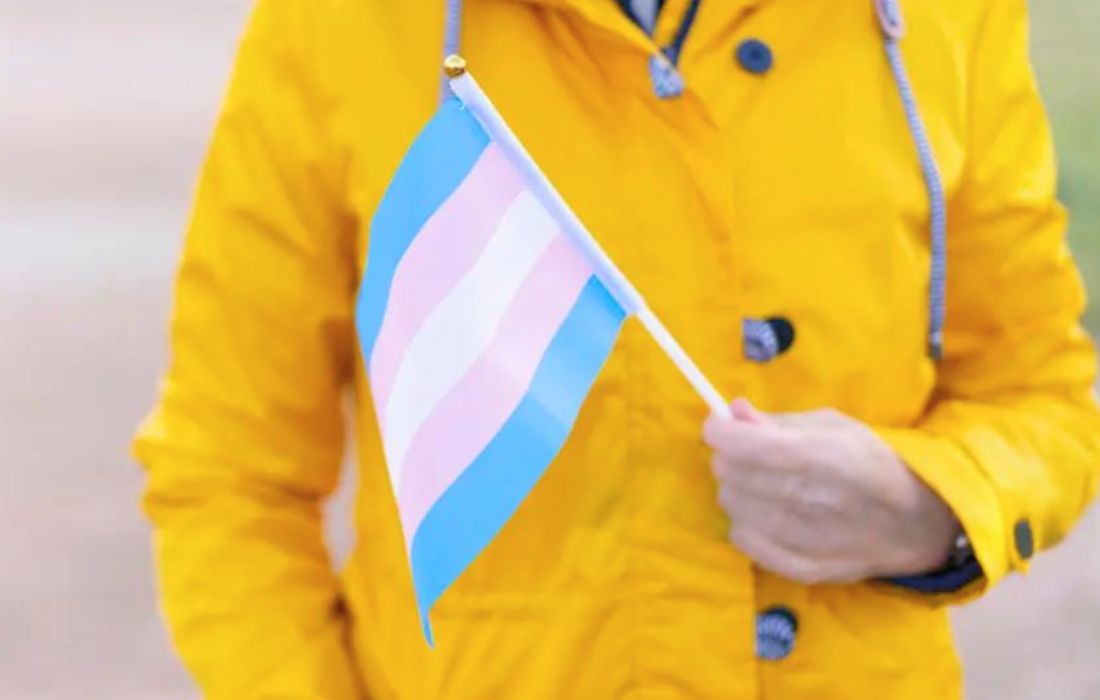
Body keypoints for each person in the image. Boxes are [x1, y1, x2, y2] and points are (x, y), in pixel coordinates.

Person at [133, 0, 1100, 698]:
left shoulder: (943, 17)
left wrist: (933, 506)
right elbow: (228, 477)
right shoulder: (340, 27)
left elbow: (1046, 395)